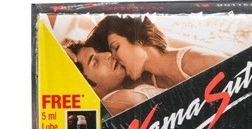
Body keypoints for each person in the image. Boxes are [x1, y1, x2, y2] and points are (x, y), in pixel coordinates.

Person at [86, 15, 227, 88]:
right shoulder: (145, 84)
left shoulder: (197, 61)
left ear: (138, 38)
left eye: (116, 47)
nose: (114, 57)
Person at [66, 43, 164, 116]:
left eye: (99, 51)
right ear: (87, 86)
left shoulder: (125, 94)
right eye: (95, 62)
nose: (107, 54)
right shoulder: (118, 100)